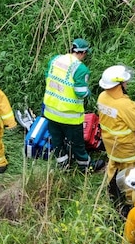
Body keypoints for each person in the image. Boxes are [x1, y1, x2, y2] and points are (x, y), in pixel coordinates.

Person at [42, 38, 104, 173]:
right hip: (69, 115)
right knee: (78, 144)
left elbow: (48, 77)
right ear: (83, 53)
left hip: (51, 111)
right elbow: (81, 93)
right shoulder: (80, 68)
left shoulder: (55, 60)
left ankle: (63, 165)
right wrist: (89, 91)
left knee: (57, 141)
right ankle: (86, 167)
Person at [96, 65, 135, 208]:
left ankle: (112, 192)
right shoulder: (124, 104)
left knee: (113, 168)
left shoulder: (102, 97)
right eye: (124, 82)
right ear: (118, 85)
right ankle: (131, 202)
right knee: (130, 174)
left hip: (110, 145)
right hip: (126, 148)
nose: (126, 84)